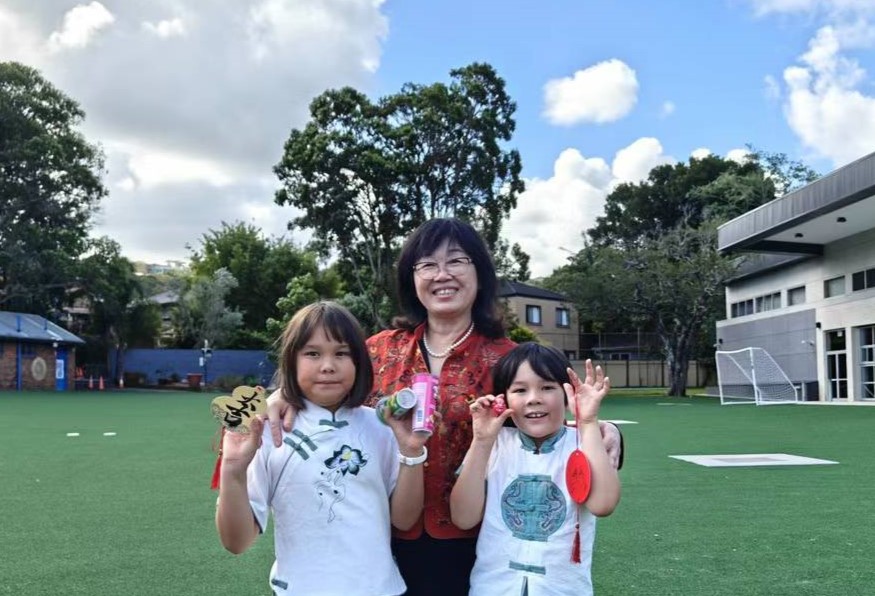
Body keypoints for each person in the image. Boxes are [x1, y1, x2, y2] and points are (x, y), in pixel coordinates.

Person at [267, 217, 624, 595]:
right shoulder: (377, 351)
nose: (442, 275)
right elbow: (322, 380)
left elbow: (545, 420)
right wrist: (280, 394)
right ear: (412, 278)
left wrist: (608, 429)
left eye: (456, 261)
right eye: (427, 265)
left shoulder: (508, 360)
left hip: (475, 543)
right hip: (378, 540)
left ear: (480, 274)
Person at [216, 302, 428, 595]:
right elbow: (236, 542)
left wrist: (412, 451)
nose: (328, 365)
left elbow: (404, 519)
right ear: (291, 361)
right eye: (312, 353)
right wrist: (232, 471)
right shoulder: (266, 432)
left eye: (341, 353)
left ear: (359, 362)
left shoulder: (382, 426)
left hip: (380, 588)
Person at [450, 343, 621, 596]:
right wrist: (482, 441)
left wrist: (588, 422)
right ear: (503, 399)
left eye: (547, 387)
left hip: (562, 589)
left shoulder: (584, 442)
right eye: (520, 390)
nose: (533, 398)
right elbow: (463, 517)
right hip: (494, 587)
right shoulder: (494, 444)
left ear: (567, 393)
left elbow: (603, 505)